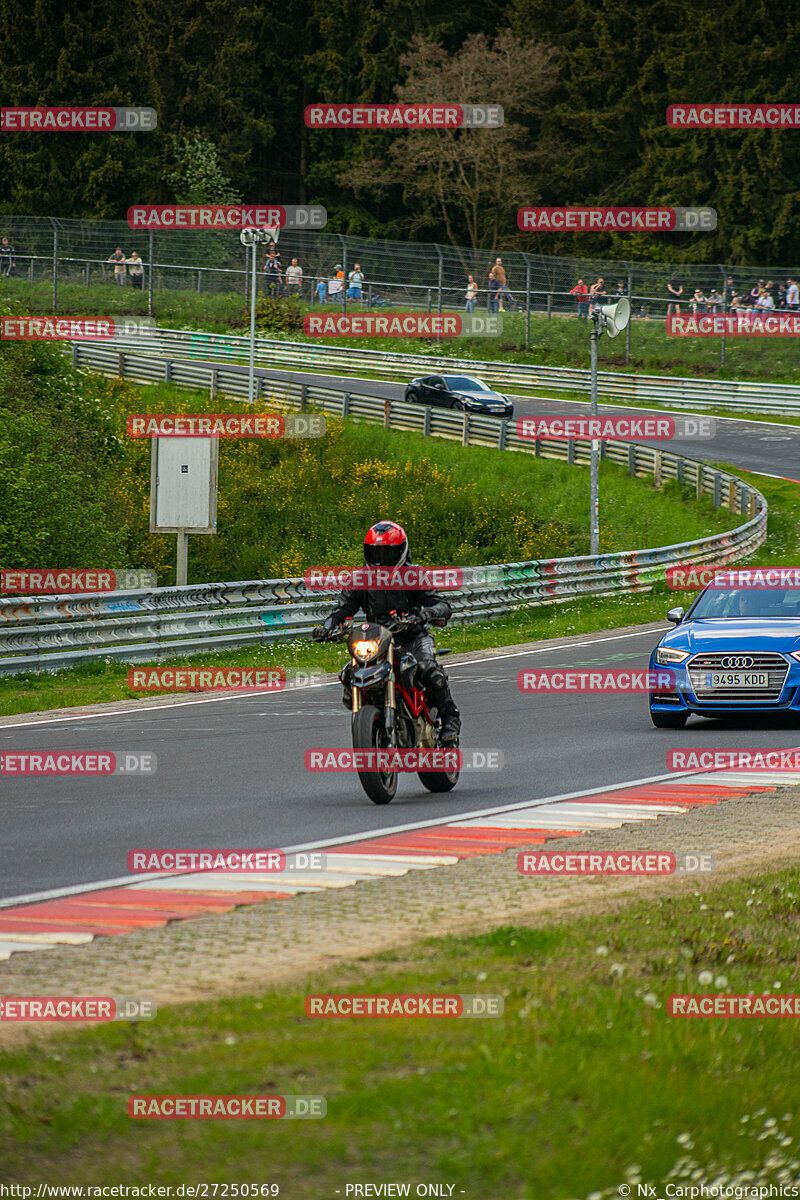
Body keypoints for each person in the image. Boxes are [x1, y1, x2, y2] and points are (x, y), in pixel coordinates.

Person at [312, 521, 461, 744]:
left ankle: (449, 716)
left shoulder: (414, 575)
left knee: (428, 669)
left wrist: (425, 614)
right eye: (375, 552)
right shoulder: (360, 579)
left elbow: (441, 604)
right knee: (347, 674)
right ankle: (370, 718)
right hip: (378, 641)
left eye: (387, 553)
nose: (380, 559)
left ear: (401, 551)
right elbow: (343, 608)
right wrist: (328, 627)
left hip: (413, 637)